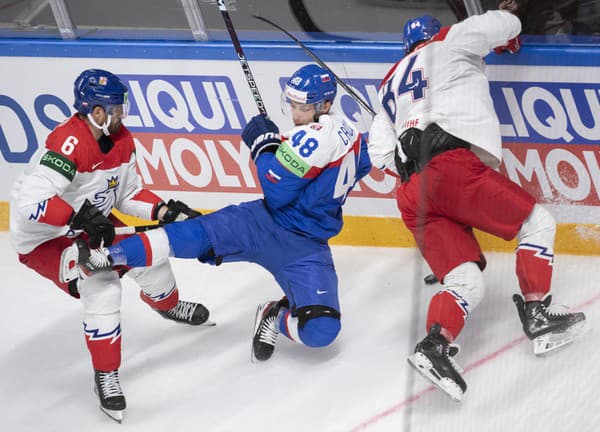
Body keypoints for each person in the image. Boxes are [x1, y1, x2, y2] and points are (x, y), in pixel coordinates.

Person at [61, 63, 372, 364]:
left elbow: (276, 188)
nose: (294, 114)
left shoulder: (316, 137)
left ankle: (274, 316)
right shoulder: (351, 135)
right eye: (291, 104)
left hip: (305, 248)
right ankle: (111, 255)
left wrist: (264, 146)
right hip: (260, 222)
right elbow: (368, 161)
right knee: (191, 234)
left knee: (321, 330)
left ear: (326, 104)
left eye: (302, 108)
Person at [367, 9, 588, 402]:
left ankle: (435, 346)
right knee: (537, 223)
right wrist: (507, 33)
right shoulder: (449, 41)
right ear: (434, 35)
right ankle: (537, 317)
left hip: (411, 191)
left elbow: (381, 154)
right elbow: (506, 22)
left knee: (465, 280)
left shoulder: (388, 83)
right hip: (452, 168)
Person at [9, 69, 212, 423]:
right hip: (47, 238)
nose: (123, 114)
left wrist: (162, 210)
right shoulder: (67, 143)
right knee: (102, 287)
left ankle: (168, 306)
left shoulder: (122, 139)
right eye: (117, 108)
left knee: (151, 258)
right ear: (96, 112)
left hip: (94, 224)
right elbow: (30, 203)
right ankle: (106, 374)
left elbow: (129, 194)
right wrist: (77, 219)